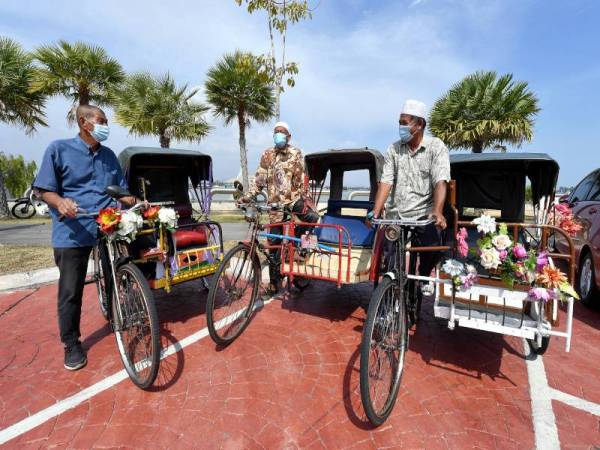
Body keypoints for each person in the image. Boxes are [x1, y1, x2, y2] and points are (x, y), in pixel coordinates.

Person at [33, 105, 141, 371]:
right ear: (84, 122)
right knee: (71, 290)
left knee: (117, 274)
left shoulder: (109, 156)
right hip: (72, 229)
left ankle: (117, 314)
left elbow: (120, 193)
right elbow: (43, 189)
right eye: (102, 121)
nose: (106, 126)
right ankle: (71, 343)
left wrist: (135, 201)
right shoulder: (58, 149)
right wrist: (60, 202)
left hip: (106, 226)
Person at [368, 99, 450, 305]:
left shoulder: (435, 147)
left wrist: (438, 211)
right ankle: (391, 296)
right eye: (399, 122)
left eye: (404, 122)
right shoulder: (394, 149)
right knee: (392, 259)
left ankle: (423, 273)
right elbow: (386, 182)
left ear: (419, 124)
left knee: (434, 247)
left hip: (424, 214)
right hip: (397, 214)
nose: (401, 127)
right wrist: (375, 212)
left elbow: (441, 180)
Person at [239, 121, 318, 295]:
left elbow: (302, 177)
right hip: (275, 205)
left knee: (313, 217)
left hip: (293, 200)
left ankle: (299, 248)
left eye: (282, 132)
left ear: (289, 136)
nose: (279, 134)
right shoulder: (267, 154)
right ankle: (275, 283)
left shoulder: (296, 153)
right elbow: (259, 179)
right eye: (276, 132)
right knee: (274, 244)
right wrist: (248, 196)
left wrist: (305, 197)